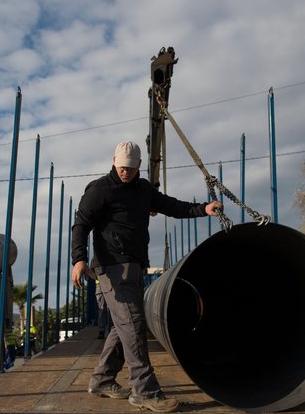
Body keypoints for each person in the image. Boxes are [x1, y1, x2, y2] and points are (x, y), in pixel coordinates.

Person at [71, 141, 222, 413]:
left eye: (130, 168)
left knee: (123, 325)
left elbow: (173, 206)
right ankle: (145, 391)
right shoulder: (100, 189)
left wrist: (203, 209)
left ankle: (102, 380)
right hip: (110, 266)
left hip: (135, 265)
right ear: (113, 161)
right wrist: (79, 259)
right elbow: (81, 224)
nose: (125, 172)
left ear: (139, 166)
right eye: (121, 167)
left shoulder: (144, 190)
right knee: (133, 324)